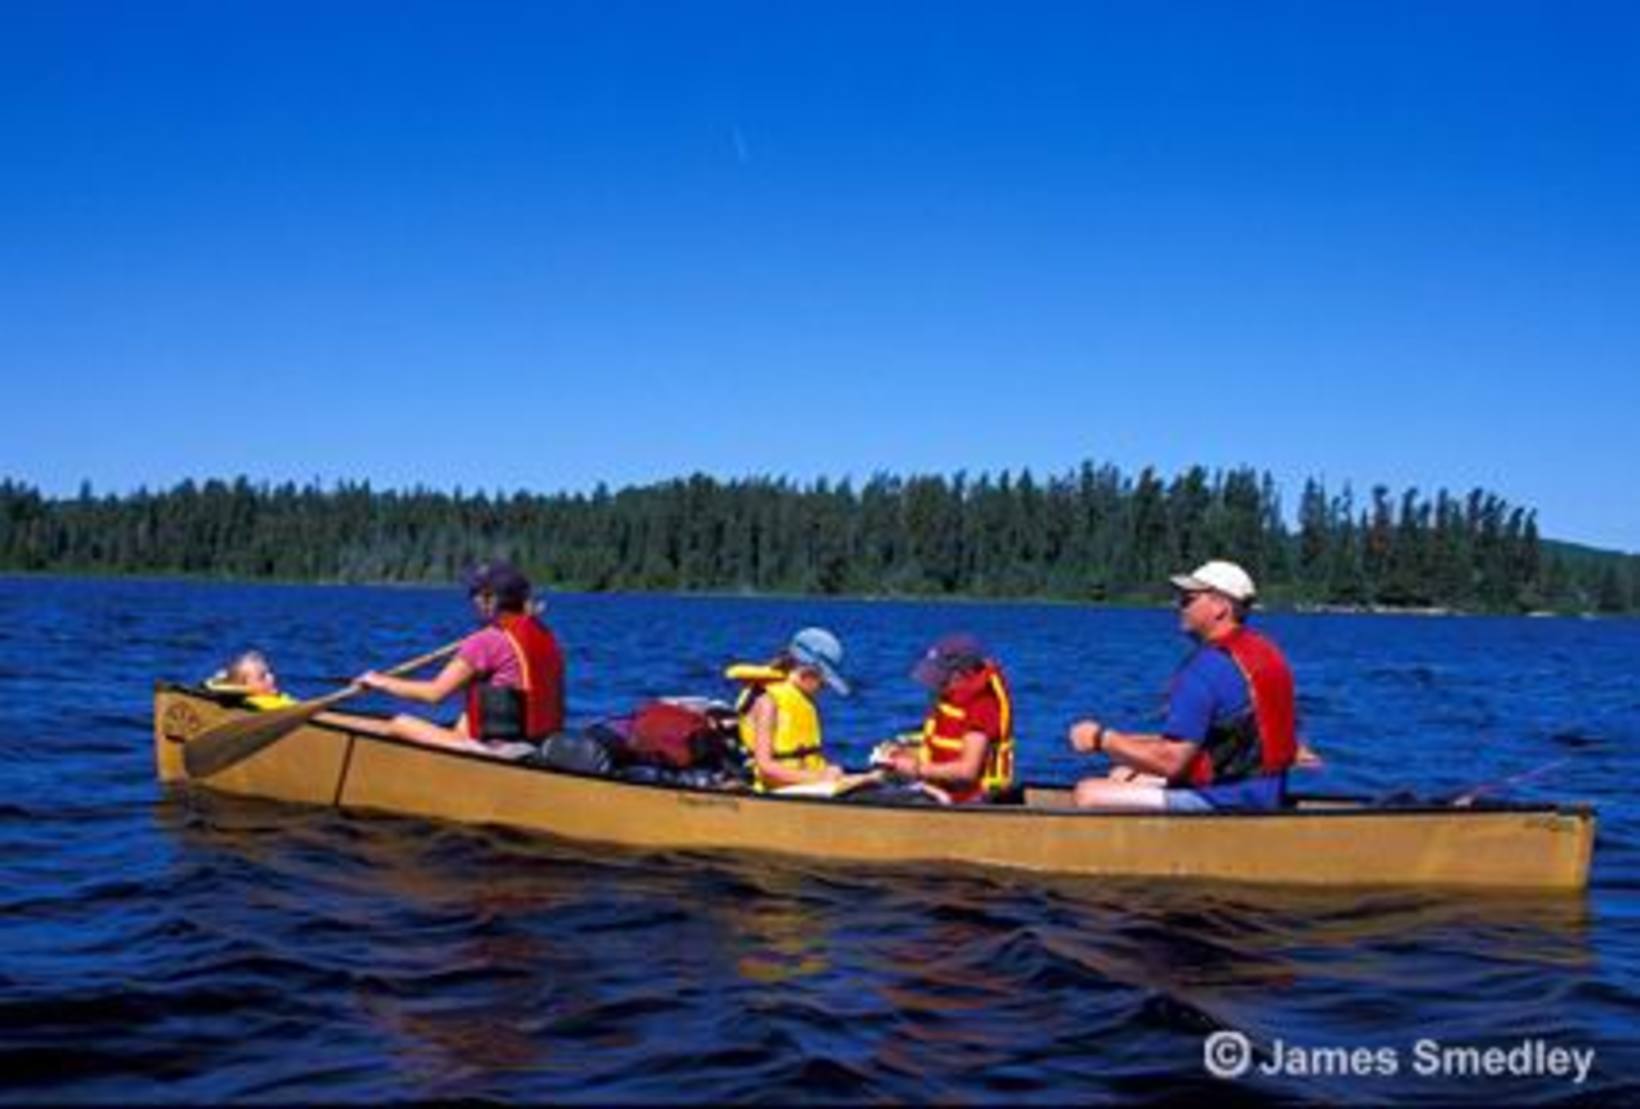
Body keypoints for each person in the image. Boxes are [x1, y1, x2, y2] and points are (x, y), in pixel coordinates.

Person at [1068, 560, 1299, 812]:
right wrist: (1124, 746)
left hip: (1228, 799)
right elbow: (1212, 739)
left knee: (1087, 793)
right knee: (1121, 774)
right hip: (1267, 790)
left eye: (1189, 599)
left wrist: (1102, 740)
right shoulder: (1265, 651)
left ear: (1220, 607)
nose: (1180, 606)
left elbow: (1172, 762)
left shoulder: (1205, 669)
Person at [356, 559, 566, 749]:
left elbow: (434, 694)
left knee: (400, 724)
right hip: (538, 744)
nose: (471, 600)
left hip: (499, 752)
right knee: (466, 715)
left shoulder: (486, 641)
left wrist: (379, 681)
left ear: (489, 600)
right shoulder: (545, 636)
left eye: (473, 593)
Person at [876, 634, 1016, 804]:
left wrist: (918, 769)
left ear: (960, 675)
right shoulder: (952, 699)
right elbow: (945, 748)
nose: (936, 684)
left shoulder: (982, 706)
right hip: (939, 790)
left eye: (942, 677)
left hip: (968, 800)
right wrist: (903, 756)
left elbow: (967, 771)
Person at [725, 627, 850, 792]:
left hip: (807, 783)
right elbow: (766, 768)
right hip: (774, 789)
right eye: (823, 680)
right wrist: (820, 778)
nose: (825, 686)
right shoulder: (767, 701)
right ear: (807, 671)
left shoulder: (801, 697)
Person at [207, 649, 296, 710]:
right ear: (244, 686)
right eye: (262, 677)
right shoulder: (255, 707)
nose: (271, 677)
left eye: (270, 672)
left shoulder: (276, 698)